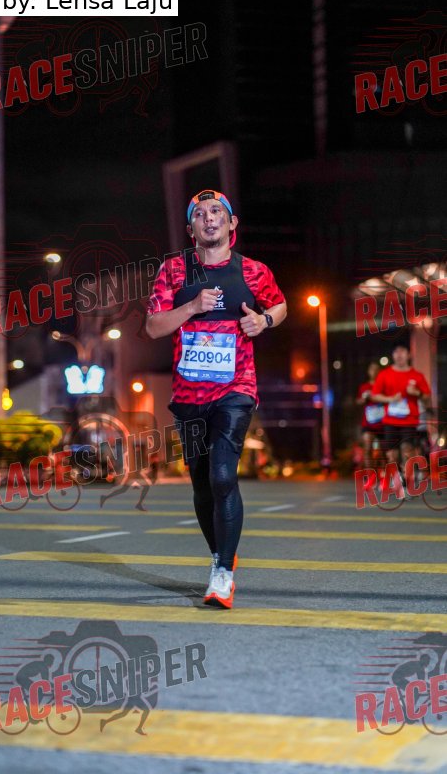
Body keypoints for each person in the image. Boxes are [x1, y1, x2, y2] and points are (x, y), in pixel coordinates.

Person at [145, 189, 287, 608]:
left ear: (231, 222)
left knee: (223, 476)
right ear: (191, 228)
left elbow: (280, 305)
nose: (209, 219)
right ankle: (221, 552)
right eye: (200, 214)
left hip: (235, 390)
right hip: (188, 396)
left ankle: (222, 574)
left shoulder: (253, 271)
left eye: (216, 212)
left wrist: (264, 320)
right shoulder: (174, 270)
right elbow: (153, 327)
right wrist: (191, 307)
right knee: (202, 485)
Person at [370, 343, 431, 485]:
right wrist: (390, 399)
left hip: (409, 420)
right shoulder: (385, 374)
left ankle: (406, 476)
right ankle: (396, 475)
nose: (399, 355)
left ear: (408, 355)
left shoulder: (417, 376)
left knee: (406, 449)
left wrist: (417, 393)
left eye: (402, 351)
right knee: (392, 454)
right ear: (393, 355)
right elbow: (374, 395)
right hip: (390, 420)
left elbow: (427, 397)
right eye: (396, 352)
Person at [356, 362, 384, 472]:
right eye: (372, 369)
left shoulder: (384, 386)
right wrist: (364, 399)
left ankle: (383, 474)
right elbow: (358, 401)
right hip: (368, 423)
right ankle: (370, 475)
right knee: (367, 449)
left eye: (377, 369)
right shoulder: (364, 387)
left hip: (382, 423)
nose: (374, 372)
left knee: (383, 452)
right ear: (369, 372)